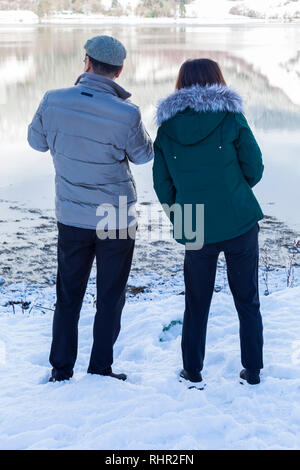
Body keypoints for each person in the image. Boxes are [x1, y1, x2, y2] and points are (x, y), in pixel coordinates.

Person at [28, 35, 153, 383]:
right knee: (110, 296)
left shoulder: (53, 100)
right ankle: (100, 368)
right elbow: (145, 156)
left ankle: (61, 369)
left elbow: (36, 142)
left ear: (86, 62)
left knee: (68, 295)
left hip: (71, 215)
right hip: (116, 216)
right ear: (120, 70)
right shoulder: (127, 113)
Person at [153, 58, 264, 387]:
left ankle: (193, 370)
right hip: (238, 218)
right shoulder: (231, 117)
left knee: (196, 302)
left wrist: (182, 214)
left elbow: (163, 186)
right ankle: (253, 370)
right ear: (217, 81)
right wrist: (232, 191)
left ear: (181, 83)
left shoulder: (167, 129)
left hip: (194, 224)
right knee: (247, 300)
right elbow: (254, 168)